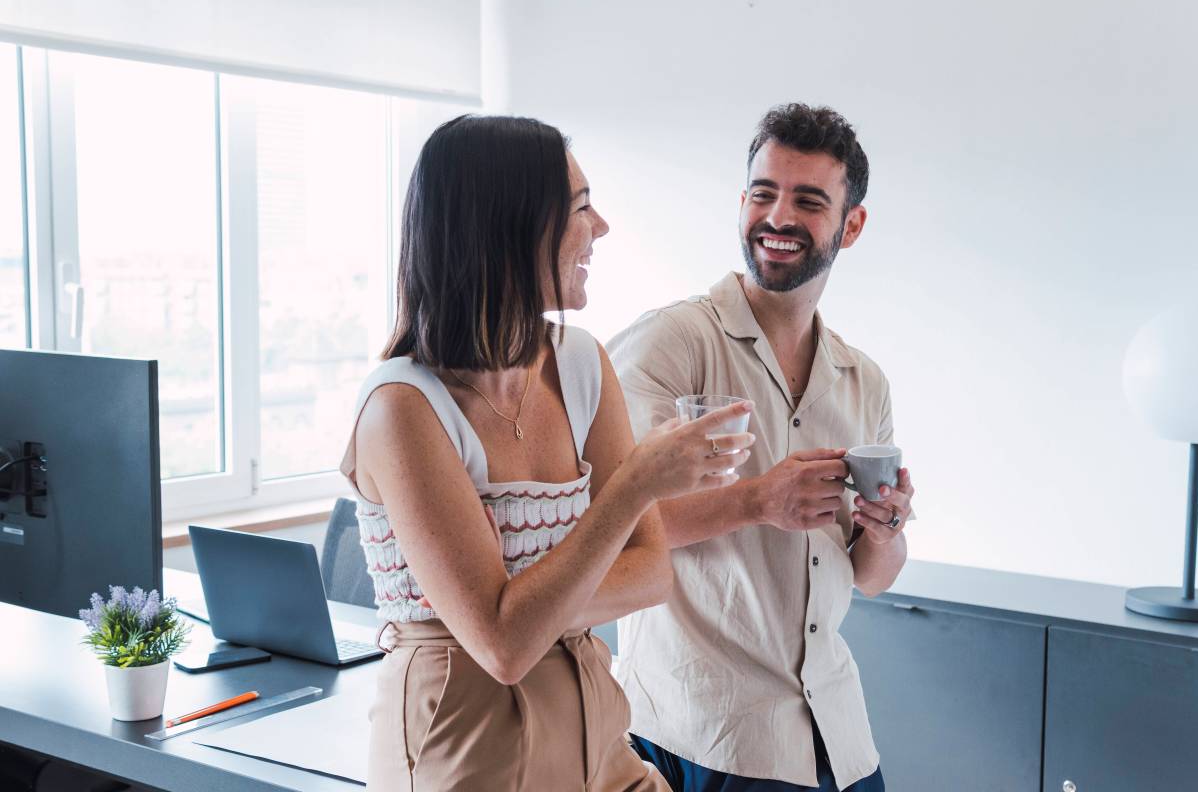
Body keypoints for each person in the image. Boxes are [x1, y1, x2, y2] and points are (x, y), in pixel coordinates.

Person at [339, 114, 755, 791]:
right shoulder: (402, 409)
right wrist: (632, 489)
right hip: (465, 757)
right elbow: (503, 650)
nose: (603, 229)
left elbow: (651, 573)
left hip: (600, 740)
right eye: (582, 208)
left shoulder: (583, 364)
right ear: (509, 228)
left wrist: (528, 612)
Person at [608, 103, 917, 792]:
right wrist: (756, 500)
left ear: (852, 224)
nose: (778, 217)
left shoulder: (863, 380)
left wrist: (886, 527)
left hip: (836, 738)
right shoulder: (671, 344)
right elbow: (608, 525)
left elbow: (870, 575)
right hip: (705, 734)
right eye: (762, 193)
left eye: (808, 201)